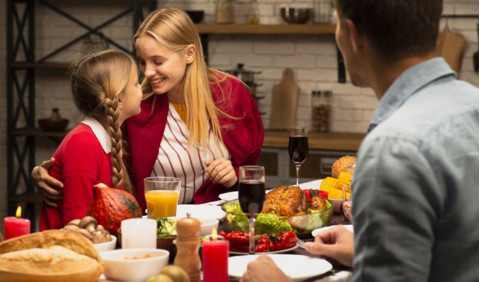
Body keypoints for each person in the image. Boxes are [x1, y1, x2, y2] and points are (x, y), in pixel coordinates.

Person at [241, 0, 479, 281]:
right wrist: (371, 251)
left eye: (336, 23)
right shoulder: (472, 104)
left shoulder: (394, 147)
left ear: (353, 35)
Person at [32, 8, 264, 210]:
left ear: (190, 53)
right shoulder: (136, 105)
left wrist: (234, 178)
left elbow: (252, 179)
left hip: (222, 223)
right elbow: (93, 145)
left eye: (158, 61)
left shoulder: (232, 95)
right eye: (143, 62)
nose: (147, 72)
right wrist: (48, 172)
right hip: (158, 226)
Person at [39, 49, 143, 230]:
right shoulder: (83, 144)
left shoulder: (103, 140)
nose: (142, 88)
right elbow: (76, 227)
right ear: (119, 99)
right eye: (136, 83)